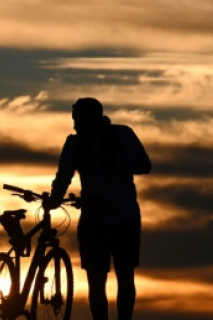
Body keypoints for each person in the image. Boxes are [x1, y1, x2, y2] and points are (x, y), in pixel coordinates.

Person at [46, 97, 151, 320]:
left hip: (123, 218)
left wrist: (114, 160)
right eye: (74, 120)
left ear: (92, 119)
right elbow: (63, 175)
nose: (75, 125)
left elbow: (144, 164)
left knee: (124, 277)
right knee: (96, 281)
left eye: (79, 120)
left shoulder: (121, 135)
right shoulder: (74, 144)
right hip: (95, 218)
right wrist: (55, 198)